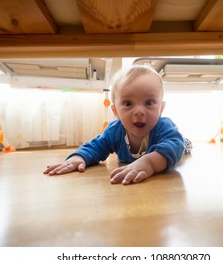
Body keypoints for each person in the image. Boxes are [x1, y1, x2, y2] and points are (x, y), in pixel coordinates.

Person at [43, 65, 191, 185]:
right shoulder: (115, 130)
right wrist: (79, 157)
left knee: (182, 143)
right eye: (128, 103)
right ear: (115, 111)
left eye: (149, 102)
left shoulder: (163, 126)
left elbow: (174, 147)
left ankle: (187, 142)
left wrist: (149, 164)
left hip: (179, 142)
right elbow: (97, 146)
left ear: (161, 108)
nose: (139, 111)